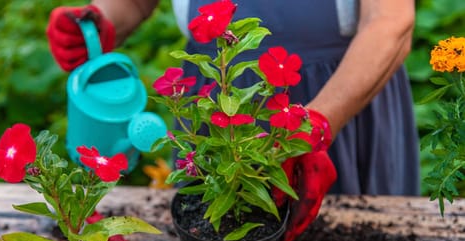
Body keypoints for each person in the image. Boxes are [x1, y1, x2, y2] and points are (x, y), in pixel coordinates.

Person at [47, 0, 419, 197]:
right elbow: (135, 2)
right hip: (215, 109)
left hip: (340, 109)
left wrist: (316, 126)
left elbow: (389, 23)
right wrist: (104, 22)